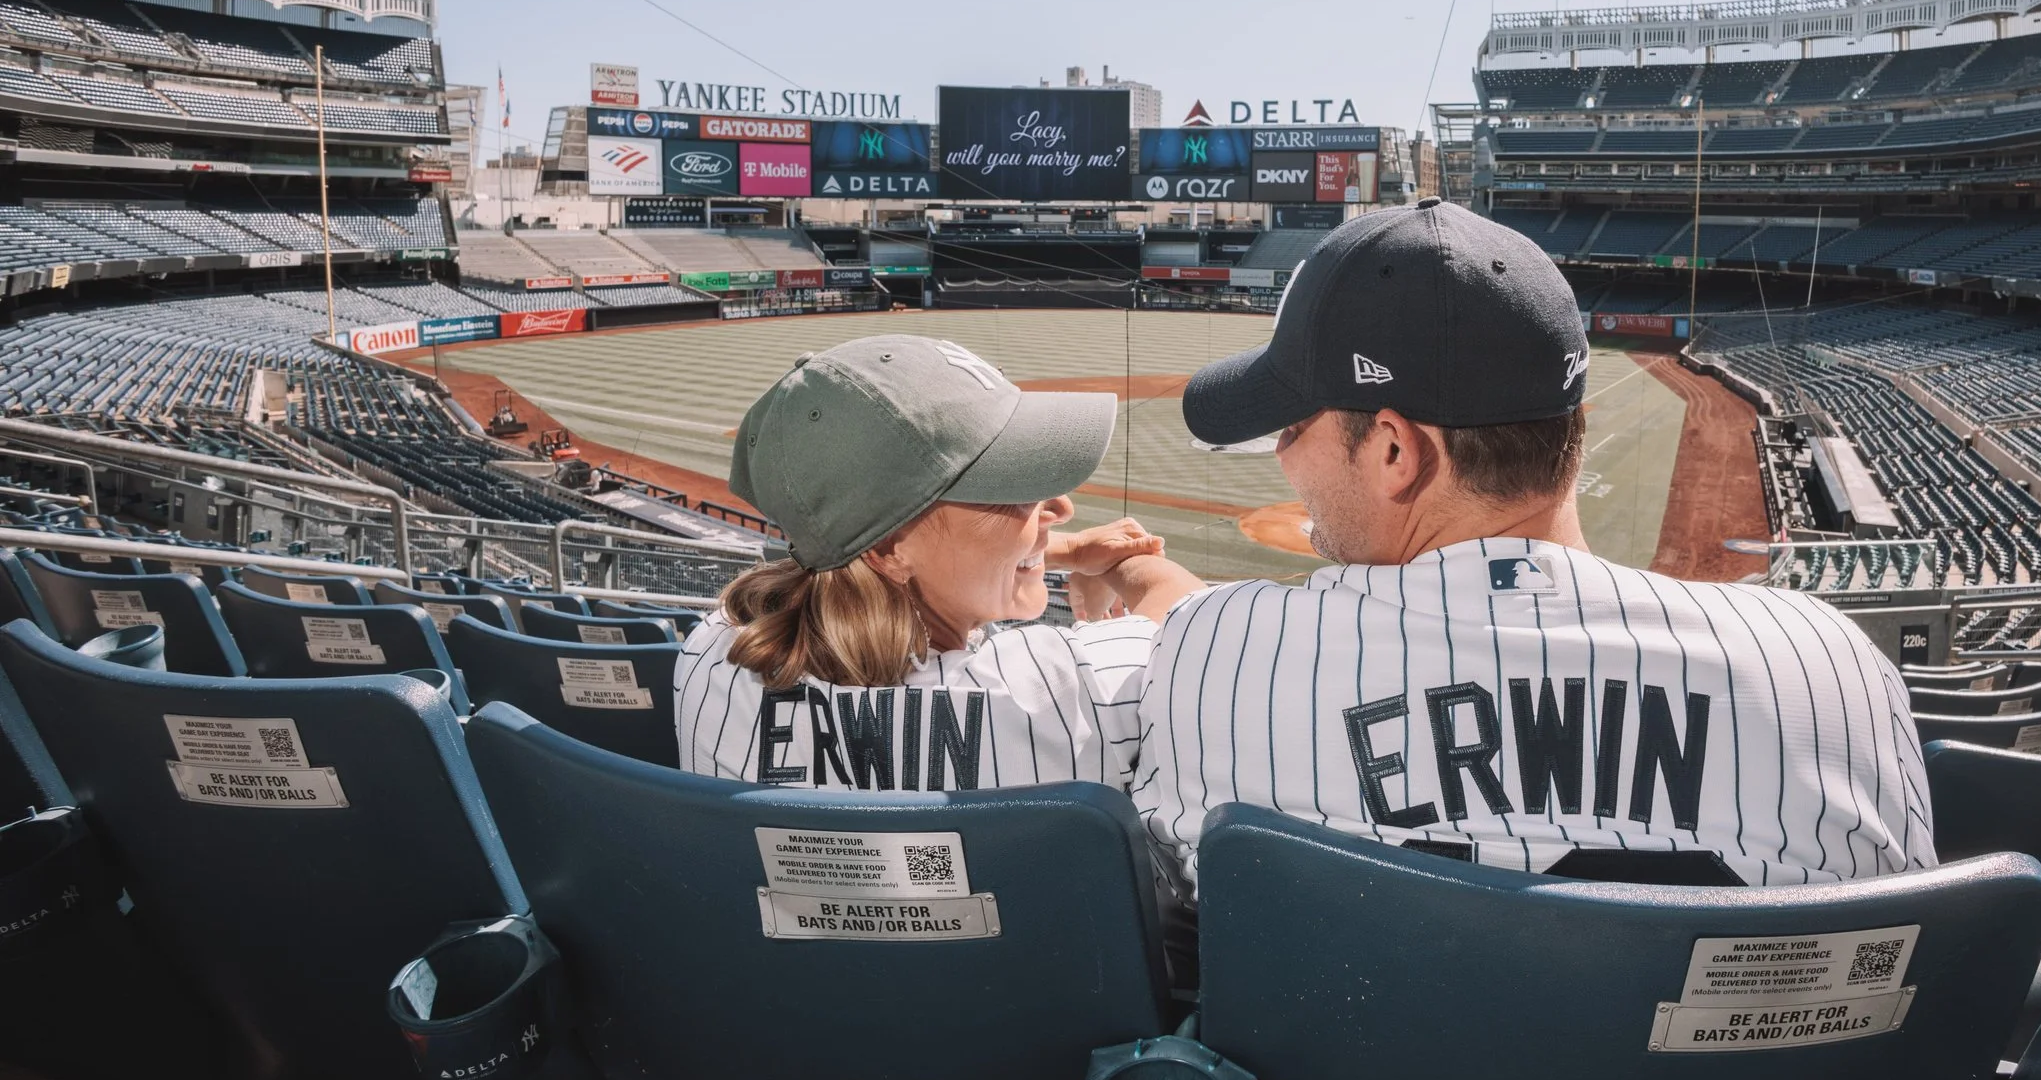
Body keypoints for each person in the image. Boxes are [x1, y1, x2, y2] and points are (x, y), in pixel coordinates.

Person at [1131, 199, 1934, 897]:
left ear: (1392, 452)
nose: (1281, 454)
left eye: (1291, 426)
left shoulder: (1217, 650)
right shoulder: (1831, 666)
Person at [677, 335, 1200, 790]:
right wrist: (1109, 567)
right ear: (888, 550)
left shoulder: (711, 652)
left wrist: (1054, 550)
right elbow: (1191, 611)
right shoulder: (1060, 693)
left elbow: (826, 560)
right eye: (1012, 488)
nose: (1061, 508)